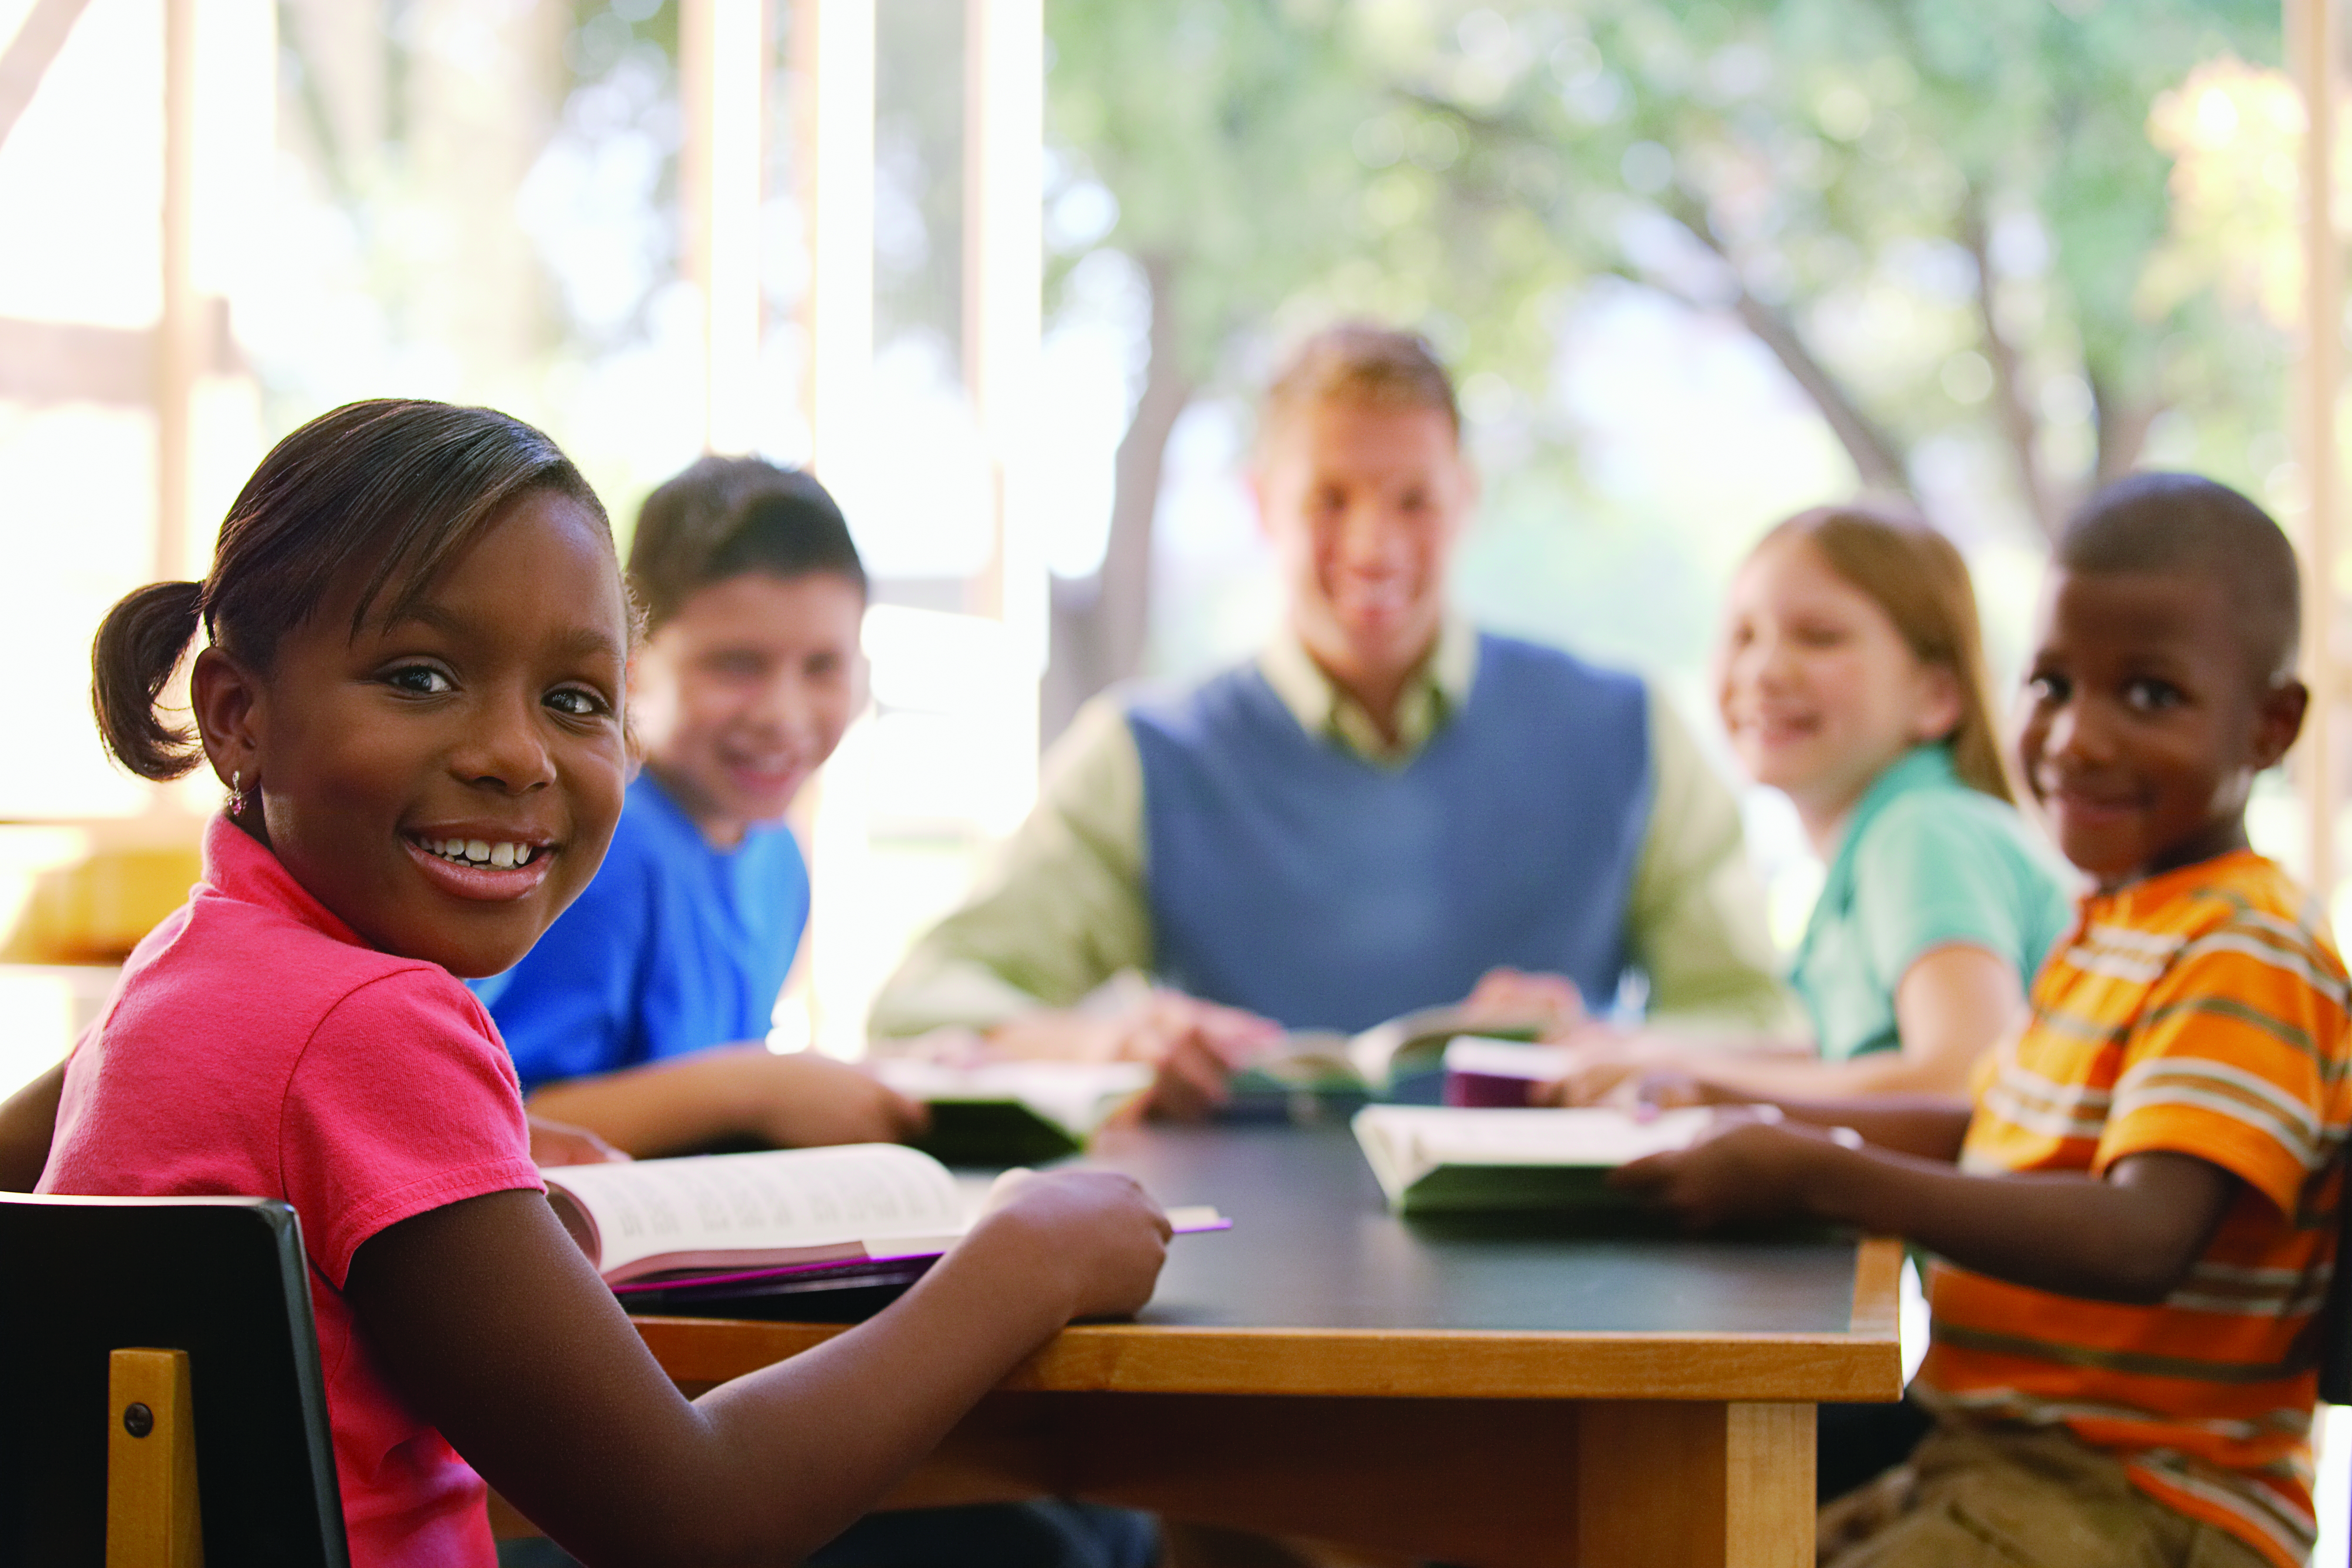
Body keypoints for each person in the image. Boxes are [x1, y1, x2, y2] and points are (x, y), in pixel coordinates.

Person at [37, 399, 1170, 1568]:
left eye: (576, 701)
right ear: (238, 716)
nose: (517, 754)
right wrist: (1023, 1262)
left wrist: (490, 1170)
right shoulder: (370, 1024)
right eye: (421, 676)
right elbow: (698, 1519)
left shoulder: (189, 964)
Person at [1614, 473, 2347, 1568]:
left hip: (2148, 1500)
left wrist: (1821, 1175)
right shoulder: (2116, 926)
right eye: (2052, 683)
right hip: (1999, 1459)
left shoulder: (2243, 945)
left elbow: (2142, 1238)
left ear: (2272, 726)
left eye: (2147, 696)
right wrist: (1759, 1125)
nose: (2076, 739)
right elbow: (1995, 1128)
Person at [871, 322, 1790, 1113]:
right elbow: (923, 1007)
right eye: (1330, 499)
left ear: (1466, 498)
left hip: (1569, 1262)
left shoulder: (1627, 731)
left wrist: (1617, 1050)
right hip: (1230, 1265)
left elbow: (1760, 1022)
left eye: (1413, 500)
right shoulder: (1148, 755)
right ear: (1262, 504)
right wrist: (1101, 1046)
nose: (1372, 545)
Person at [1547, 506, 2072, 1107]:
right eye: (1743, 636)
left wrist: (1706, 1091)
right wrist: (1651, 1055)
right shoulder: (1879, 847)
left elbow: (1961, 1077)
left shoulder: (1924, 833)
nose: (1764, 670)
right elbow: (1849, 1063)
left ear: (1936, 696)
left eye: (1819, 637)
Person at [476, 457, 924, 1158]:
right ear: (631, 663)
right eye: (736, 665)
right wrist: (760, 1088)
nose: (783, 714)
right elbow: (510, 1126)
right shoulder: (602, 847)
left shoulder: (777, 858)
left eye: (823, 667)